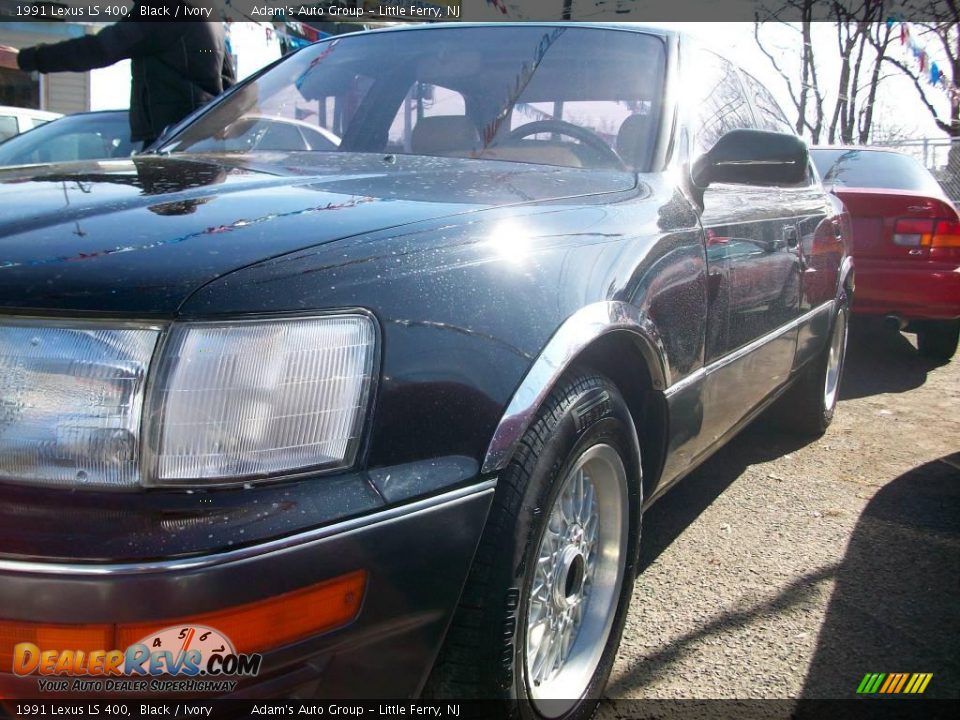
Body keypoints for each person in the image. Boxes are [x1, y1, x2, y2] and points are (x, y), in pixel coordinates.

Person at [3, 3, 234, 147]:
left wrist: (24, 59)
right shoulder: (208, 15)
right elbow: (230, 84)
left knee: (159, 221)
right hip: (203, 141)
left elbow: (99, 49)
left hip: (169, 140)